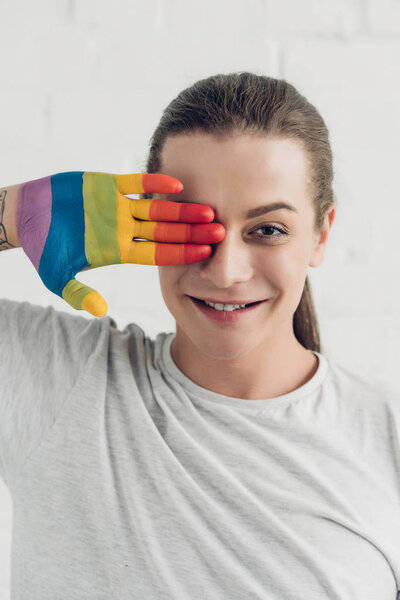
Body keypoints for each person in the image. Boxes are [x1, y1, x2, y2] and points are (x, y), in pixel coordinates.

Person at [1, 72, 400, 599]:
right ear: (145, 219)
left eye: (268, 229)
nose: (226, 271)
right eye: (192, 225)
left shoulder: (385, 437)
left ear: (321, 235)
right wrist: (11, 214)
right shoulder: (57, 380)